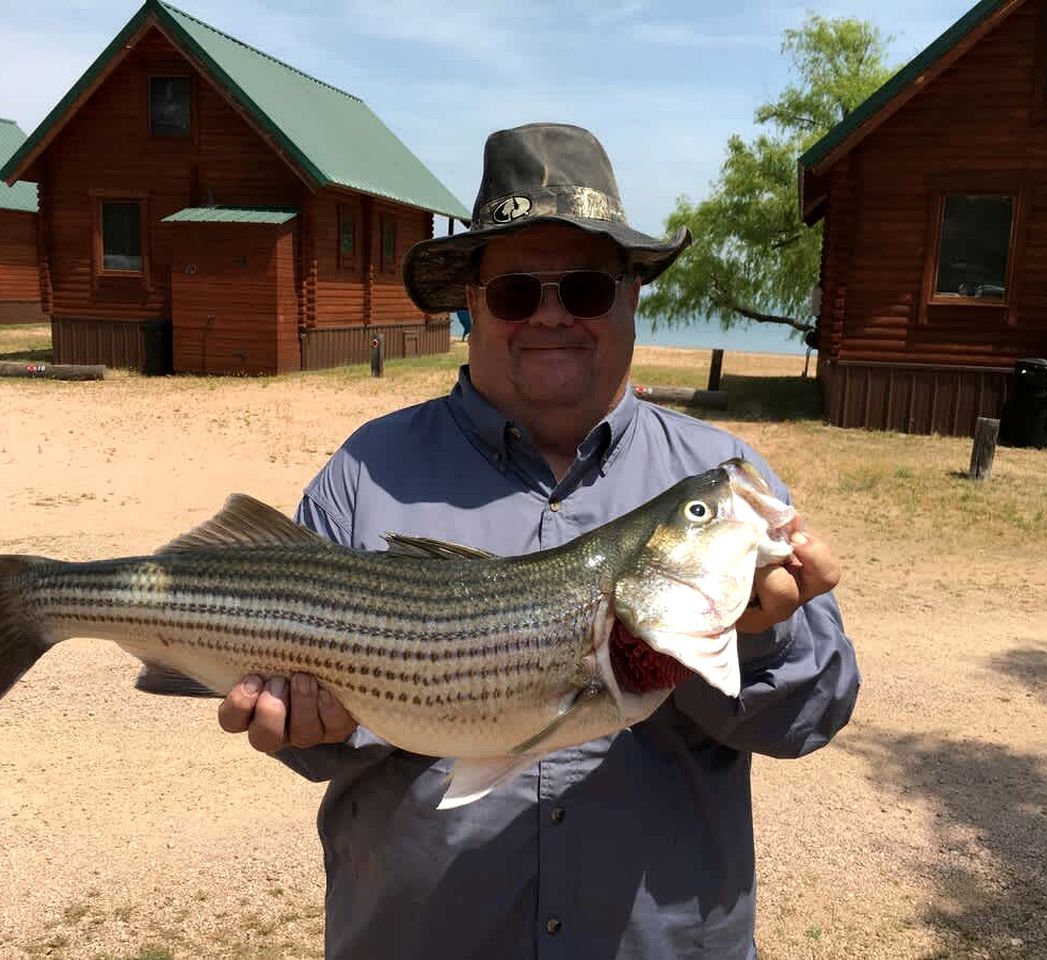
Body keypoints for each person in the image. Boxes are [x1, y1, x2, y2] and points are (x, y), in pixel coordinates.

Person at [219, 122, 858, 959]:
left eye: (587, 289)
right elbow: (307, 745)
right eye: (517, 292)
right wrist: (313, 723)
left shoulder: (723, 479)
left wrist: (759, 637)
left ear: (632, 295)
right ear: (471, 305)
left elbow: (815, 716)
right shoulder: (365, 473)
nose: (552, 317)